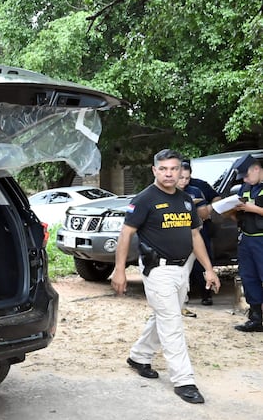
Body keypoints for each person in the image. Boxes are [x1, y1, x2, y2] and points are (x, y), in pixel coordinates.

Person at [111, 149, 220, 404]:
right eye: (163, 169)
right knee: (172, 323)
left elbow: (195, 236)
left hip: (182, 269)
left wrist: (209, 268)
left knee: (164, 315)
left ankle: (139, 356)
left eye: (173, 169)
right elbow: (126, 234)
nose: (169, 173)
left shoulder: (184, 200)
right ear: (155, 171)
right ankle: (184, 381)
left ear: (180, 171)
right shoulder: (144, 199)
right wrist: (119, 270)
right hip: (158, 270)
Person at [231, 154, 263, 332]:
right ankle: (256, 318)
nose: (244, 179)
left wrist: (254, 209)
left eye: (246, 175)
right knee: (249, 278)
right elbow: (240, 214)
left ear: (256, 169)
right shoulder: (245, 187)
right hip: (246, 238)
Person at [179, 161, 217, 306]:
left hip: (197, 231)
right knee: (181, 266)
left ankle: (206, 294)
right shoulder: (167, 192)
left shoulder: (195, 190)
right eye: (181, 177)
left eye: (187, 178)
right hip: (177, 234)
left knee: (202, 263)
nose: (184, 181)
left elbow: (204, 212)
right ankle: (183, 296)